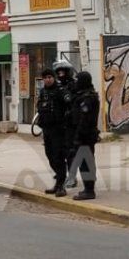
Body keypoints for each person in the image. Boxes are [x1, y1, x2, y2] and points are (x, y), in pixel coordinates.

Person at [35, 69, 69, 196]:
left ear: (54, 78)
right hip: (47, 129)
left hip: (58, 129)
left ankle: (61, 185)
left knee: (58, 157)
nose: (47, 79)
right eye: (45, 77)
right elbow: (39, 106)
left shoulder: (60, 90)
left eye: (50, 77)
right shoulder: (43, 92)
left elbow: (68, 104)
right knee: (50, 156)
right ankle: (58, 182)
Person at [68, 70, 100, 201]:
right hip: (84, 134)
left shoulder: (87, 98)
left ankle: (89, 190)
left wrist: (78, 137)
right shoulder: (82, 95)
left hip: (85, 135)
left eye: (78, 80)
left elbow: (85, 120)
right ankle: (88, 188)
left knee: (86, 162)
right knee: (84, 162)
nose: (76, 82)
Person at [52, 59, 78, 189]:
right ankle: (61, 174)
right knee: (57, 152)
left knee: (70, 152)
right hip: (57, 125)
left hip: (70, 124)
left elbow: (75, 103)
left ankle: (72, 176)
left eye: (63, 72)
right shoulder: (56, 87)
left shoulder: (74, 86)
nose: (60, 74)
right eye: (59, 72)